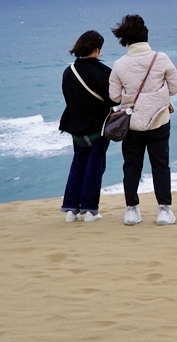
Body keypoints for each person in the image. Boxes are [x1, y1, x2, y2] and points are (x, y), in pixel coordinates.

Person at [109, 14, 177, 227]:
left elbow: (114, 96)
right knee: (161, 165)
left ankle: (131, 211)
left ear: (125, 41)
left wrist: (132, 97)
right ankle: (164, 211)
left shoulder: (119, 64)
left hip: (132, 123)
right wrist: (156, 95)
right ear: (146, 36)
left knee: (131, 166)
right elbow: (175, 88)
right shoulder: (162, 58)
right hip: (160, 119)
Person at [59, 30, 118, 223]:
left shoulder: (69, 72)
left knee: (78, 164)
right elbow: (112, 98)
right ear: (96, 49)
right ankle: (90, 210)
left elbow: (69, 98)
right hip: (98, 127)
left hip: (76, 126)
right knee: (95, 166)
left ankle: (71, 210)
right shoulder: (103, 72)